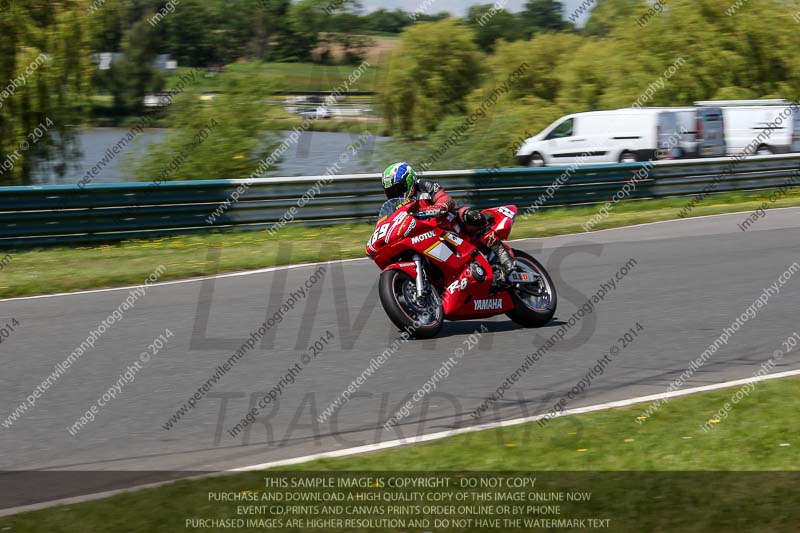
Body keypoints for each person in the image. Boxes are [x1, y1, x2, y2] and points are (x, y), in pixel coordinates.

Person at [381, 162, 516, 278]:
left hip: (451, 227)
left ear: (409, 181)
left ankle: (502, 253)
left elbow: (446, 200)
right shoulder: (397, 208)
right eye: (391, 192)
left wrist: (435, 208)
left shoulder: (424, 185)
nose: (396, 194)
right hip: (424, 238)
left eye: (398, 189)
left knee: (467, 214)